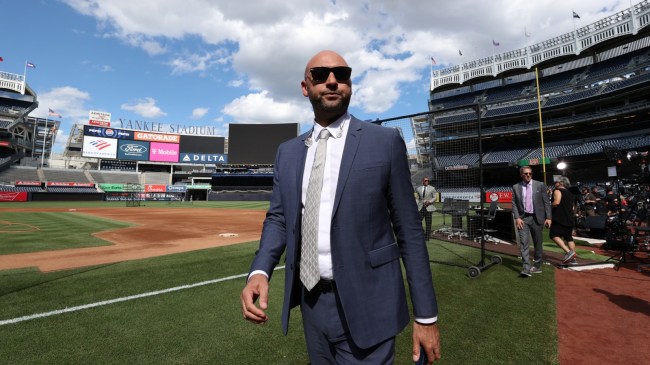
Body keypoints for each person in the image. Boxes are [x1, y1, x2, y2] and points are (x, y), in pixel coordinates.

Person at [240, 50, 441, 364]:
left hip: (369, 303)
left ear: (349, 84)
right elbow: (279, 217)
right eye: (320, 75)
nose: (332, 81)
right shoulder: (288, 152)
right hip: (311, 303)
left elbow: (410, 231)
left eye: (341, 74)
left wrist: (426, 316)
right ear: (306, 87)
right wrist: (260, 270)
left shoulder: (384, 142)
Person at [511, 166, 552, 277]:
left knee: (538, 243)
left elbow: (546, 202)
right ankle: (526, 268)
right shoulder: (516, 187)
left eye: (530, 173)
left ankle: (537, 264)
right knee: (524, 243)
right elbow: (514, 203)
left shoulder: (540, 185)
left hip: (537, 218)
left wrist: (548, 217)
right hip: (523, 219)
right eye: (525, 173)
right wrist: (517, 217)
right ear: (521, 175)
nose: (528, 175)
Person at [550, 177, 578, 264]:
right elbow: (573, 207)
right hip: (569, 217)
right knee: (569, 237)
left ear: (561, 183)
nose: (555, 183)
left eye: (557, 182)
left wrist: (547, 206)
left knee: (553, 235)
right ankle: (573, 259)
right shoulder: (570, 192)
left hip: (560, 217)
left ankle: (569, 252)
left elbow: (557, 202)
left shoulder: (557, 190)